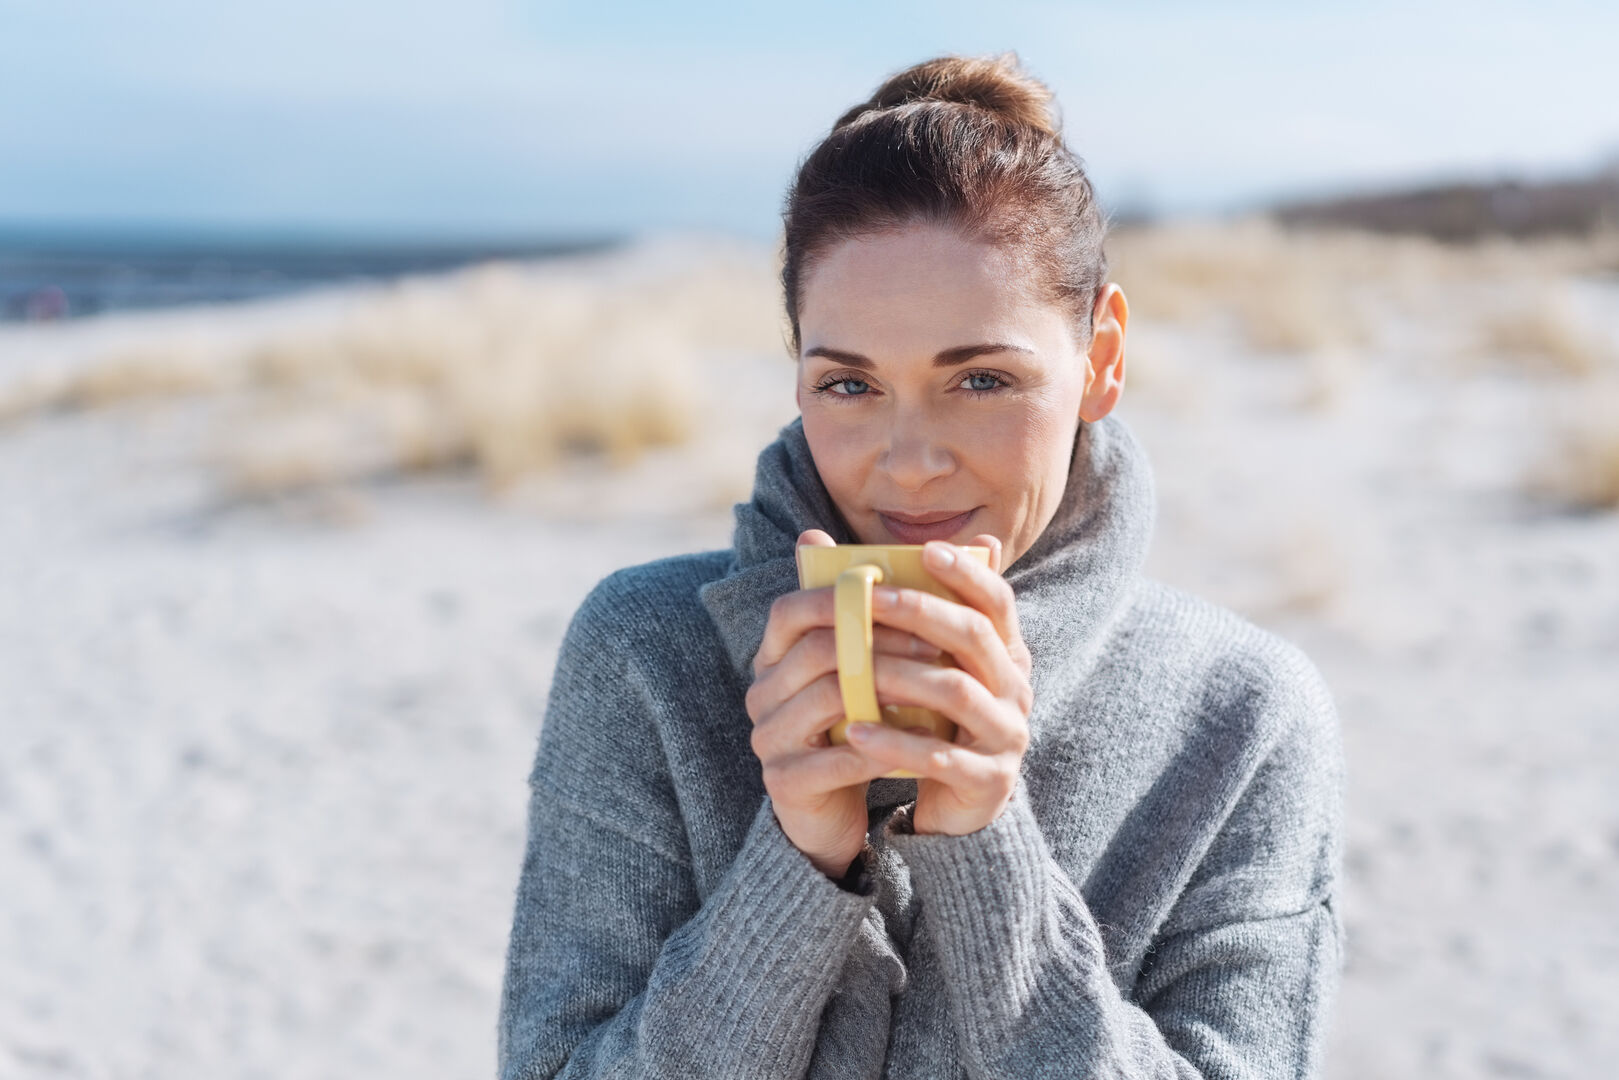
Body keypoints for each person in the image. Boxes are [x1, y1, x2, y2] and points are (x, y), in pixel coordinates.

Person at [497, 51, 1345, 1080]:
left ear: (1102, 358)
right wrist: (795, 864)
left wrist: (986, 856)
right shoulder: (643, 650)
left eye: (980, 378)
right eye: (849, 387)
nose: (908, 461)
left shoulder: (1242, 717)